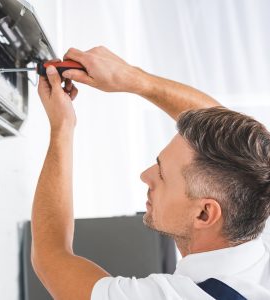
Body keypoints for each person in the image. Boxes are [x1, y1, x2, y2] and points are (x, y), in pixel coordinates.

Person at [31, 46, 270, 299]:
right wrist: (131, 78)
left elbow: (51, 258)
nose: (145, 175)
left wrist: (62, 127)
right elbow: (232, 138)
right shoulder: (253, 203)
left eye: (163, 175)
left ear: (204, 213)